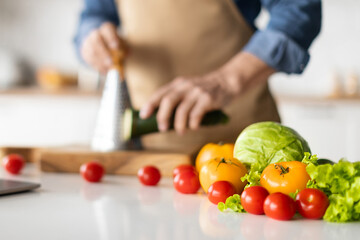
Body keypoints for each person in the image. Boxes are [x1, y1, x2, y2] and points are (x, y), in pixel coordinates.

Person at [75, 0, 321, 153]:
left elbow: (298, 8)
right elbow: (93, 15)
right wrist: (91, 37)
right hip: (148, 152)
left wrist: (227, 80)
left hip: (246, 147)